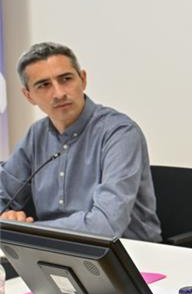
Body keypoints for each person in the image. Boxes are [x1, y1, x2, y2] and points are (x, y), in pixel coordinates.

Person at [0, 42, 161, 241]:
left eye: (65, 79)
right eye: (44, 85)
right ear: (28, 95)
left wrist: (29, 231)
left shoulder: (119, 133)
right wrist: (9, 218)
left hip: (128, 256)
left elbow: (105, 225)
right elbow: (3, 193)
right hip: (54, 250)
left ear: (82, 80)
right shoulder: (36, 135)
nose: (59, 93)